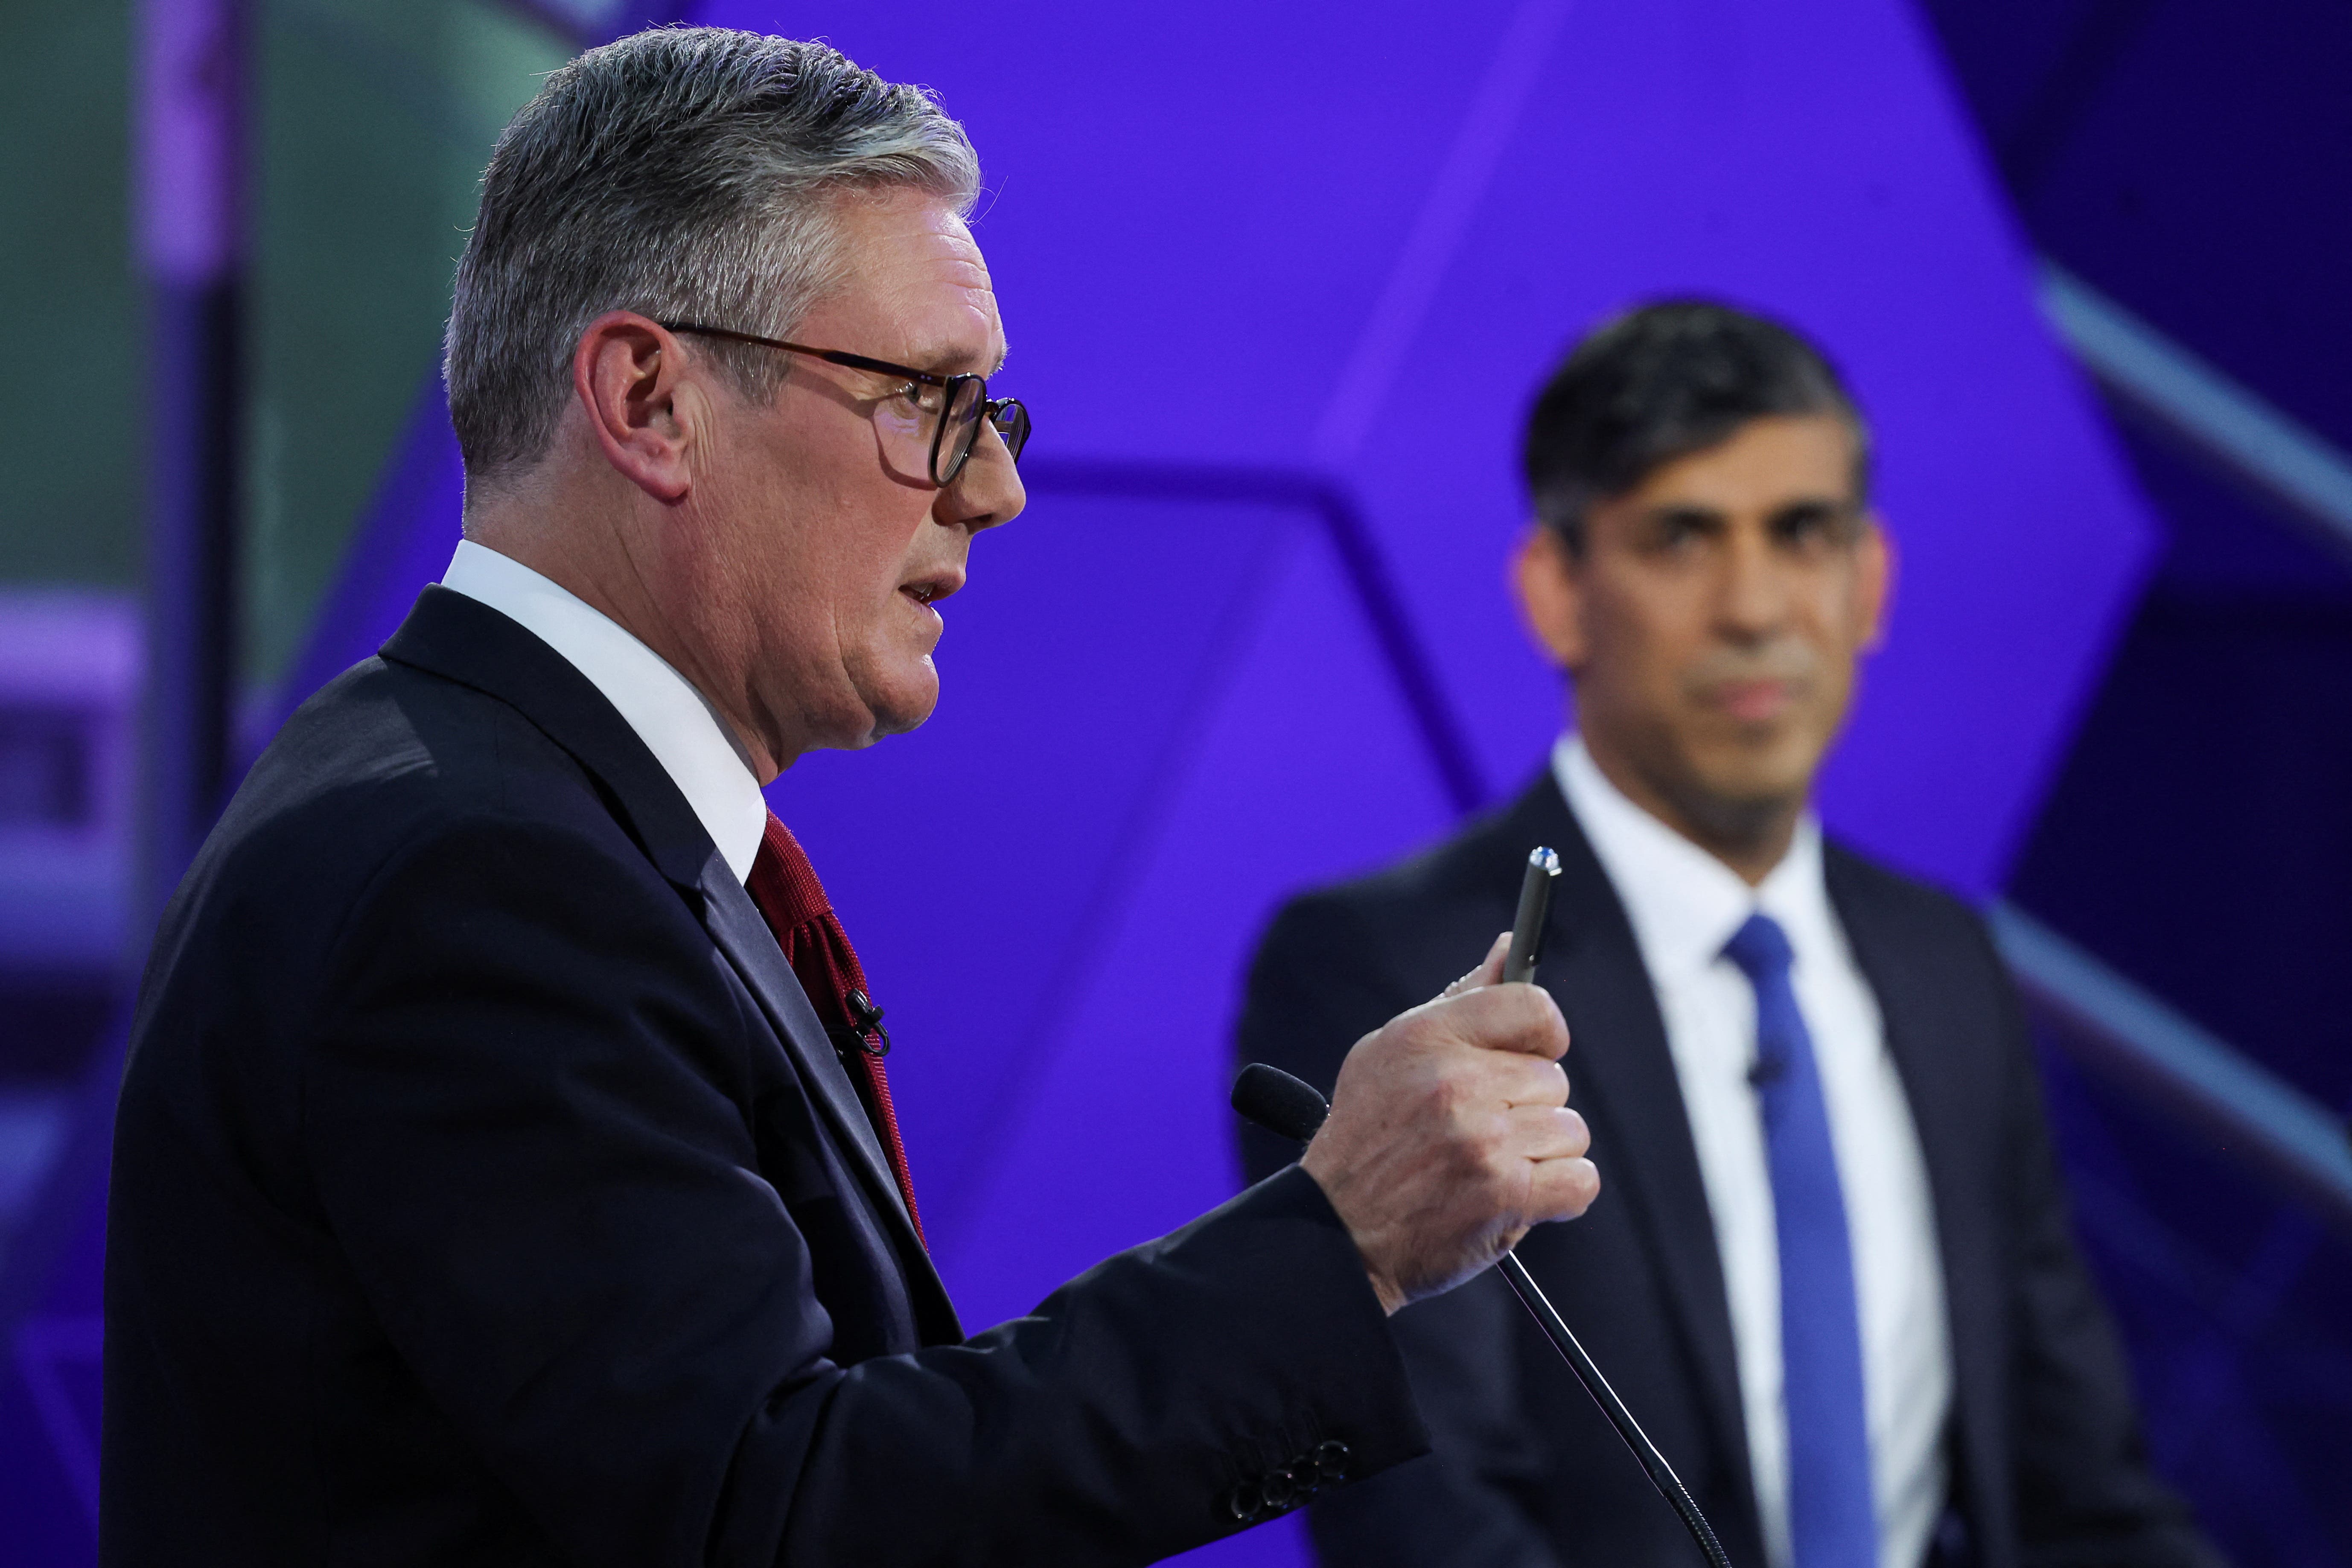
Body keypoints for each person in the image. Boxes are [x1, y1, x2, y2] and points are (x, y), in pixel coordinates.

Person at [101, 29, 1603, 1567]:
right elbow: (779, 1516)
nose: (993, 487)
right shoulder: (473, 877)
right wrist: (1336, 1241)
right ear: (647, 397)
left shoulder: (495, 802)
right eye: (927, 399)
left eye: (989, 411)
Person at [1239, 302, 2222, 1568]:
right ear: (1557, 591)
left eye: (1803, 533)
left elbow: (2083, 1492)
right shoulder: (1387, 970)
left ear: (1871, 583)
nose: (1754, 606)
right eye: (1682, 537)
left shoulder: (1945, 964)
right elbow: (1423, 1513)